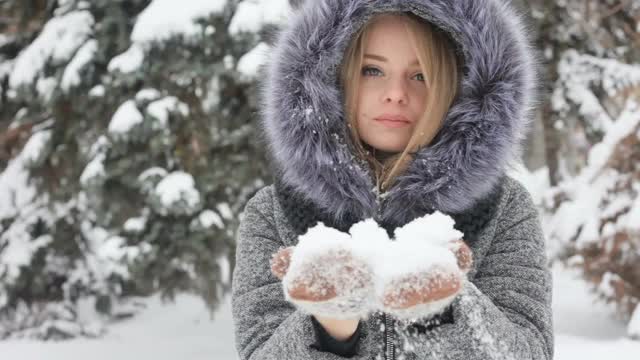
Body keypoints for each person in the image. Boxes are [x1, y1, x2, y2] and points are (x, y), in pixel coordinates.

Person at [231, 0, 553, 359]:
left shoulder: (505, 209)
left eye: (420, 75)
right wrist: (330, 322)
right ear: (332, 77)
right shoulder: (271, 214)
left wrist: (445, 305)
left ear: (456, 87)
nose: (396, 94)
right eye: (372, 70)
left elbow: (529, 351)